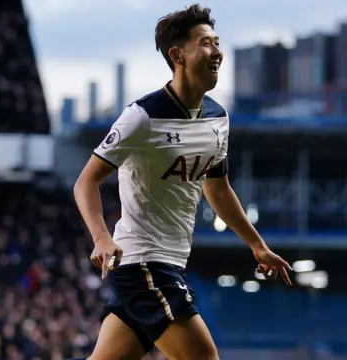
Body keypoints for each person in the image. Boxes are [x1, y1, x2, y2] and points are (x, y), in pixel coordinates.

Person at [70, 4, 292, 360]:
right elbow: (86, 181)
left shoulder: (218, 118)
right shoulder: (142, 116)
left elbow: (217, 189)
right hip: (144, 261)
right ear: (178, 55)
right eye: (206, 43)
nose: (217, 51)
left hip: (170, 263)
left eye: (218, 42)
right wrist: (100, 237)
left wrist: (257, 245)